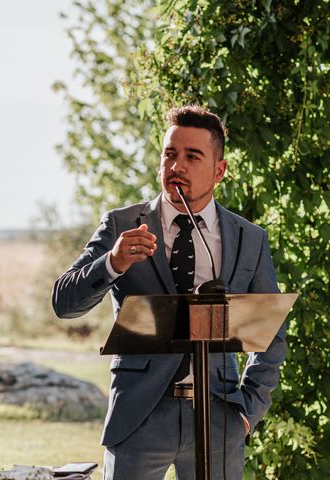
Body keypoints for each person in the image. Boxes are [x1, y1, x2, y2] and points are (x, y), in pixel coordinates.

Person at [52, 105, 286, 480]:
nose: (177, 166)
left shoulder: (249, 239)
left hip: (220, 417)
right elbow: (63, 302)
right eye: (169, 154)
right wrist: (112, 263)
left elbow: (272, 333)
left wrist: (247, 411)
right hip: (140, 414)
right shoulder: (121, 224)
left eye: (193, 156)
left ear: (219, 170)